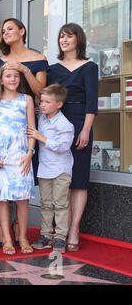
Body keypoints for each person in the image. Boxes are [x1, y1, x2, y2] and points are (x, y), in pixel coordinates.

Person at [0, 18, 48, 246]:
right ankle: (4, 233)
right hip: (3, 130)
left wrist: (25, 71)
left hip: (27, 126)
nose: (6, 32)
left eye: (10, 29)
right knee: (3, 189)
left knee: (23, 184)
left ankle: (21, 232)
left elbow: (41, 91)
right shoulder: (0, 61)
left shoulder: (38, 59)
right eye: (3, 30)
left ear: (22, 31)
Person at [47, 23, 98, 252]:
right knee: (61, 180)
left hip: (80, 124)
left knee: (78, 180)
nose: (64, 40)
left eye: (69, 36)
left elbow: (92, 102)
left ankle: (74, 230)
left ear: (78, 39)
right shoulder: (53, 69)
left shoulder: (89, 67)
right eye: (61, 37)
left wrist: (86, 129)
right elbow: (46, 98)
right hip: (57, 126)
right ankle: (61, 231)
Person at [0, 66, 36, 256]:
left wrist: (30, 152)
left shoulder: (26, 100)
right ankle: (6, 238)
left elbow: (31, 128)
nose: (12, 79)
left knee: (22, 199)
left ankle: (22, 237)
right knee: (2, 200)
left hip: (21, 156)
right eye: (8, 76)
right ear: (1, 80)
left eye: (16, 76)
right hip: (1, 158)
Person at [28, 84, 74, 254]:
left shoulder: (65, 124)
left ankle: (61, 237)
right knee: (46, 204)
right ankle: (46, 235)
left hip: (61, 169)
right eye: (42, 101)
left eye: (47, 102)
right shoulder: (41, 118)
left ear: (59, 104)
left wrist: (41, 137)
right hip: (45, 168)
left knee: (60, 204)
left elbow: (63, 146)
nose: (43, 105)